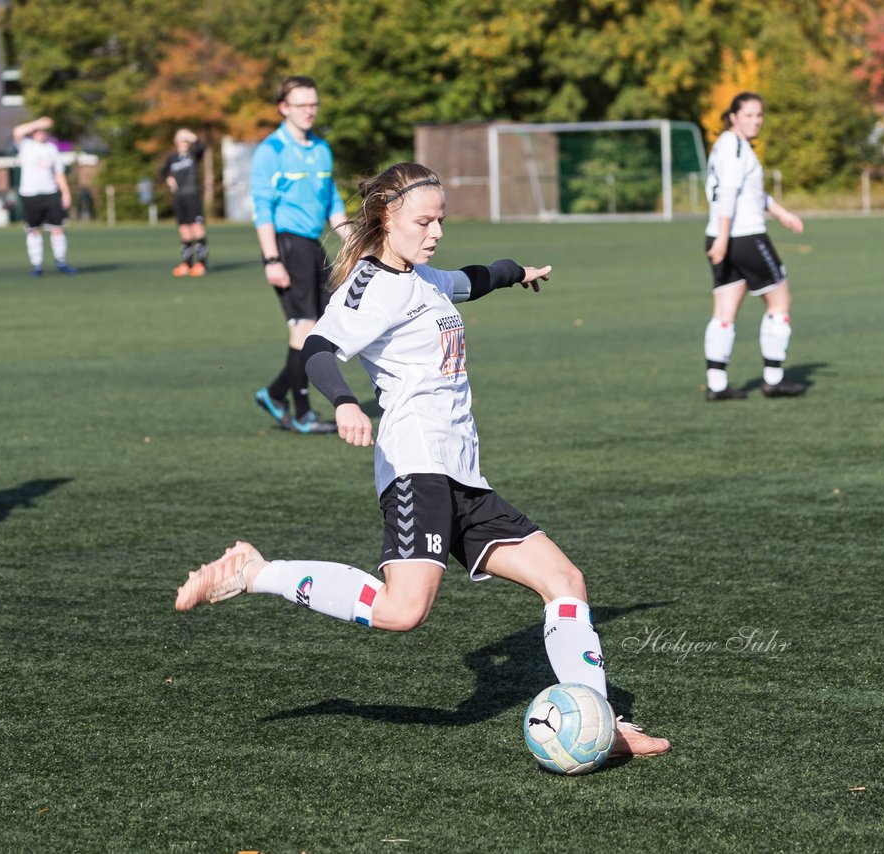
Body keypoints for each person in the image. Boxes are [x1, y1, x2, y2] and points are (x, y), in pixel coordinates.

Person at [177, 163, 671, 759]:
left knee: (565, 582)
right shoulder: (371, 285)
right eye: (423, 220)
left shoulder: (424, 278)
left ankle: (603, 725)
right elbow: (318, 349)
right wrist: (342, 403)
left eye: (440, 219)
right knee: (401, 612)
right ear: (387, 218)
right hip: (416, 467)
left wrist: (519, 273)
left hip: (463, 473)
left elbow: (472, 279)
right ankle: (254, 573)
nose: (434, 231)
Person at [249, 75, 346, 434]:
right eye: (302, 104)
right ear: (284, 108)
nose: (309, 111)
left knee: (322, 327)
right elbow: (262, 209)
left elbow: (331, 200)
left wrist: (349, 235)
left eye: (313, 104)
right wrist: (272, 259)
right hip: (287, 245)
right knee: (304, 329)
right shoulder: (270, 151)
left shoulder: (321, 148)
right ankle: (302, 411)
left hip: (312, 245)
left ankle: (275, 394)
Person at [701, 92, 807, 401]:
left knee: (724, 311)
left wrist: (781, 212)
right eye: (748, 115)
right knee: (779, 302)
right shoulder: (735, 148)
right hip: (744, 236)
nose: (755, 121)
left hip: (720, 234)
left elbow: (751, 193)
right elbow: (731, 194)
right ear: (733, 116)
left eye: (759, 115)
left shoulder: (725, 145)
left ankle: (717, 384)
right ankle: (774, 379)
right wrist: (724, 237)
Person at [13, 116, 75, 276]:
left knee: (58, 229)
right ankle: (37, 265)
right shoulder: (25, 146)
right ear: (33, 132)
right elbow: (17, 131)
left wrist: (66, 193)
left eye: (43, 131)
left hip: (50, 193)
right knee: (34, 230)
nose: (41, 133)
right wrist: (37, 123)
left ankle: (61, 262)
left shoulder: (51, 149)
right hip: (30, 194)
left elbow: (59, 173)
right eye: (38, 131)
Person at [162, 128, 209, 277]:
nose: (183, 141)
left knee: (197, 230)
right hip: (180, 198)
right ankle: (186, 264)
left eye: (185, 139)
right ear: (175, 141)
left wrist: (191, 136)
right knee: (184, 232)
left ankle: (200, 264)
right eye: (180, 138)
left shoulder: (193, 154)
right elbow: (162, 172)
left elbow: (202, 146)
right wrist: (168, 179)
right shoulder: (172, 158)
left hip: (193, 197)